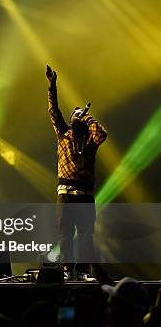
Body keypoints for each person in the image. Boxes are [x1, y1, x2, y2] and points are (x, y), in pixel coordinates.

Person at [45, 65, 107, 280]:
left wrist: (88, 118)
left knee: (85, 236)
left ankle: (82, 271)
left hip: (85, 196)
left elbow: (102, 133)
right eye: (75, 113)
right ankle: (65, 270)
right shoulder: (63, 134)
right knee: (65, 236)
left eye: (80, 113)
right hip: (66, 193)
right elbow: (54, 111)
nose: (78, 115)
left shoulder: (90, 140)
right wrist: (52, 86)